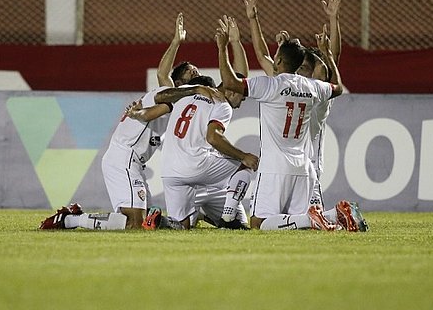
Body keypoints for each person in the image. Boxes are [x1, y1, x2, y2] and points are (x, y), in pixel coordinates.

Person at [39, 13, 203, 230]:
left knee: (141, 223)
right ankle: (70, 219)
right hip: (125, 157)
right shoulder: (168, 97)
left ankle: (76, 217)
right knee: (134, 224)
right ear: (181, 83)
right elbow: (158, 99)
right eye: (193, 73)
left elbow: (163, 72)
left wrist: (176, 42)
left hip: (131, 161)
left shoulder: (175, 98)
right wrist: (196, 88)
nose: (198, 74)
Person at [243, 0, 369, 232]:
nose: (300, 70)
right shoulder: (307, 87)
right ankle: (341, 214)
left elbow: (266, 58)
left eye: (304, 67)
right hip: (305, 165)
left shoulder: (312, 88)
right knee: (305, 223)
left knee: (288, 222)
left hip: (300, 163)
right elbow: (266, 58)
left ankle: (334, 216)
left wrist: (333, 23)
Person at [217, 14, 343, 231]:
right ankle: (326, 216)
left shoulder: (270, 86)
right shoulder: (311, 87)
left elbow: (230, 82)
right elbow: (338, 87)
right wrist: (329, 55)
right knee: (293, 224)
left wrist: (222, 48)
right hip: (303, 165)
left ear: (278, 62)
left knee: (258, 223)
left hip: (274, 165)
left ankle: (312, 218)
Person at [129, 26, 258, 230]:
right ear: (232, 90)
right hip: (200, 169)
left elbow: (161, 87)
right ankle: (226, 218)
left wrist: (137, 114)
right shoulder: (220, 102)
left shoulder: (181, 95)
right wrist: (243, 156)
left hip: (172, 171)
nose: (241, 102)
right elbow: (213, 138)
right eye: (242, 96)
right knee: (249, 162)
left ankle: (160, 220)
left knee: (179, 227)